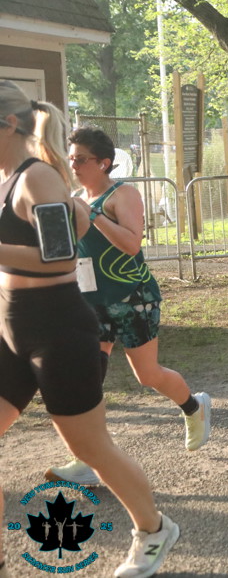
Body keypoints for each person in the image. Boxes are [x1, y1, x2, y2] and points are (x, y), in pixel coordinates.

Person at [0, 80, 178, 578]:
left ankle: (154, 528)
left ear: (9, 124)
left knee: (91, 449)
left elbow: (58, 256)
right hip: (13, 328)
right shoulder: (7, 178)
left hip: (58, 330)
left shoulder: (37, 179)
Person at [44, 127, 210, 488]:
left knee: (147, 375)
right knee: (90, 375)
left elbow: (132, 244)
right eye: (70, 158)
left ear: (103, 163)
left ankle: (194, 407)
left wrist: (94, 215)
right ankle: (88, 459)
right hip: (91, 301)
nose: (73, 165)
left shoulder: (123, 195)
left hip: (133, 296)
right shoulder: (75, 198)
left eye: (80, 159)